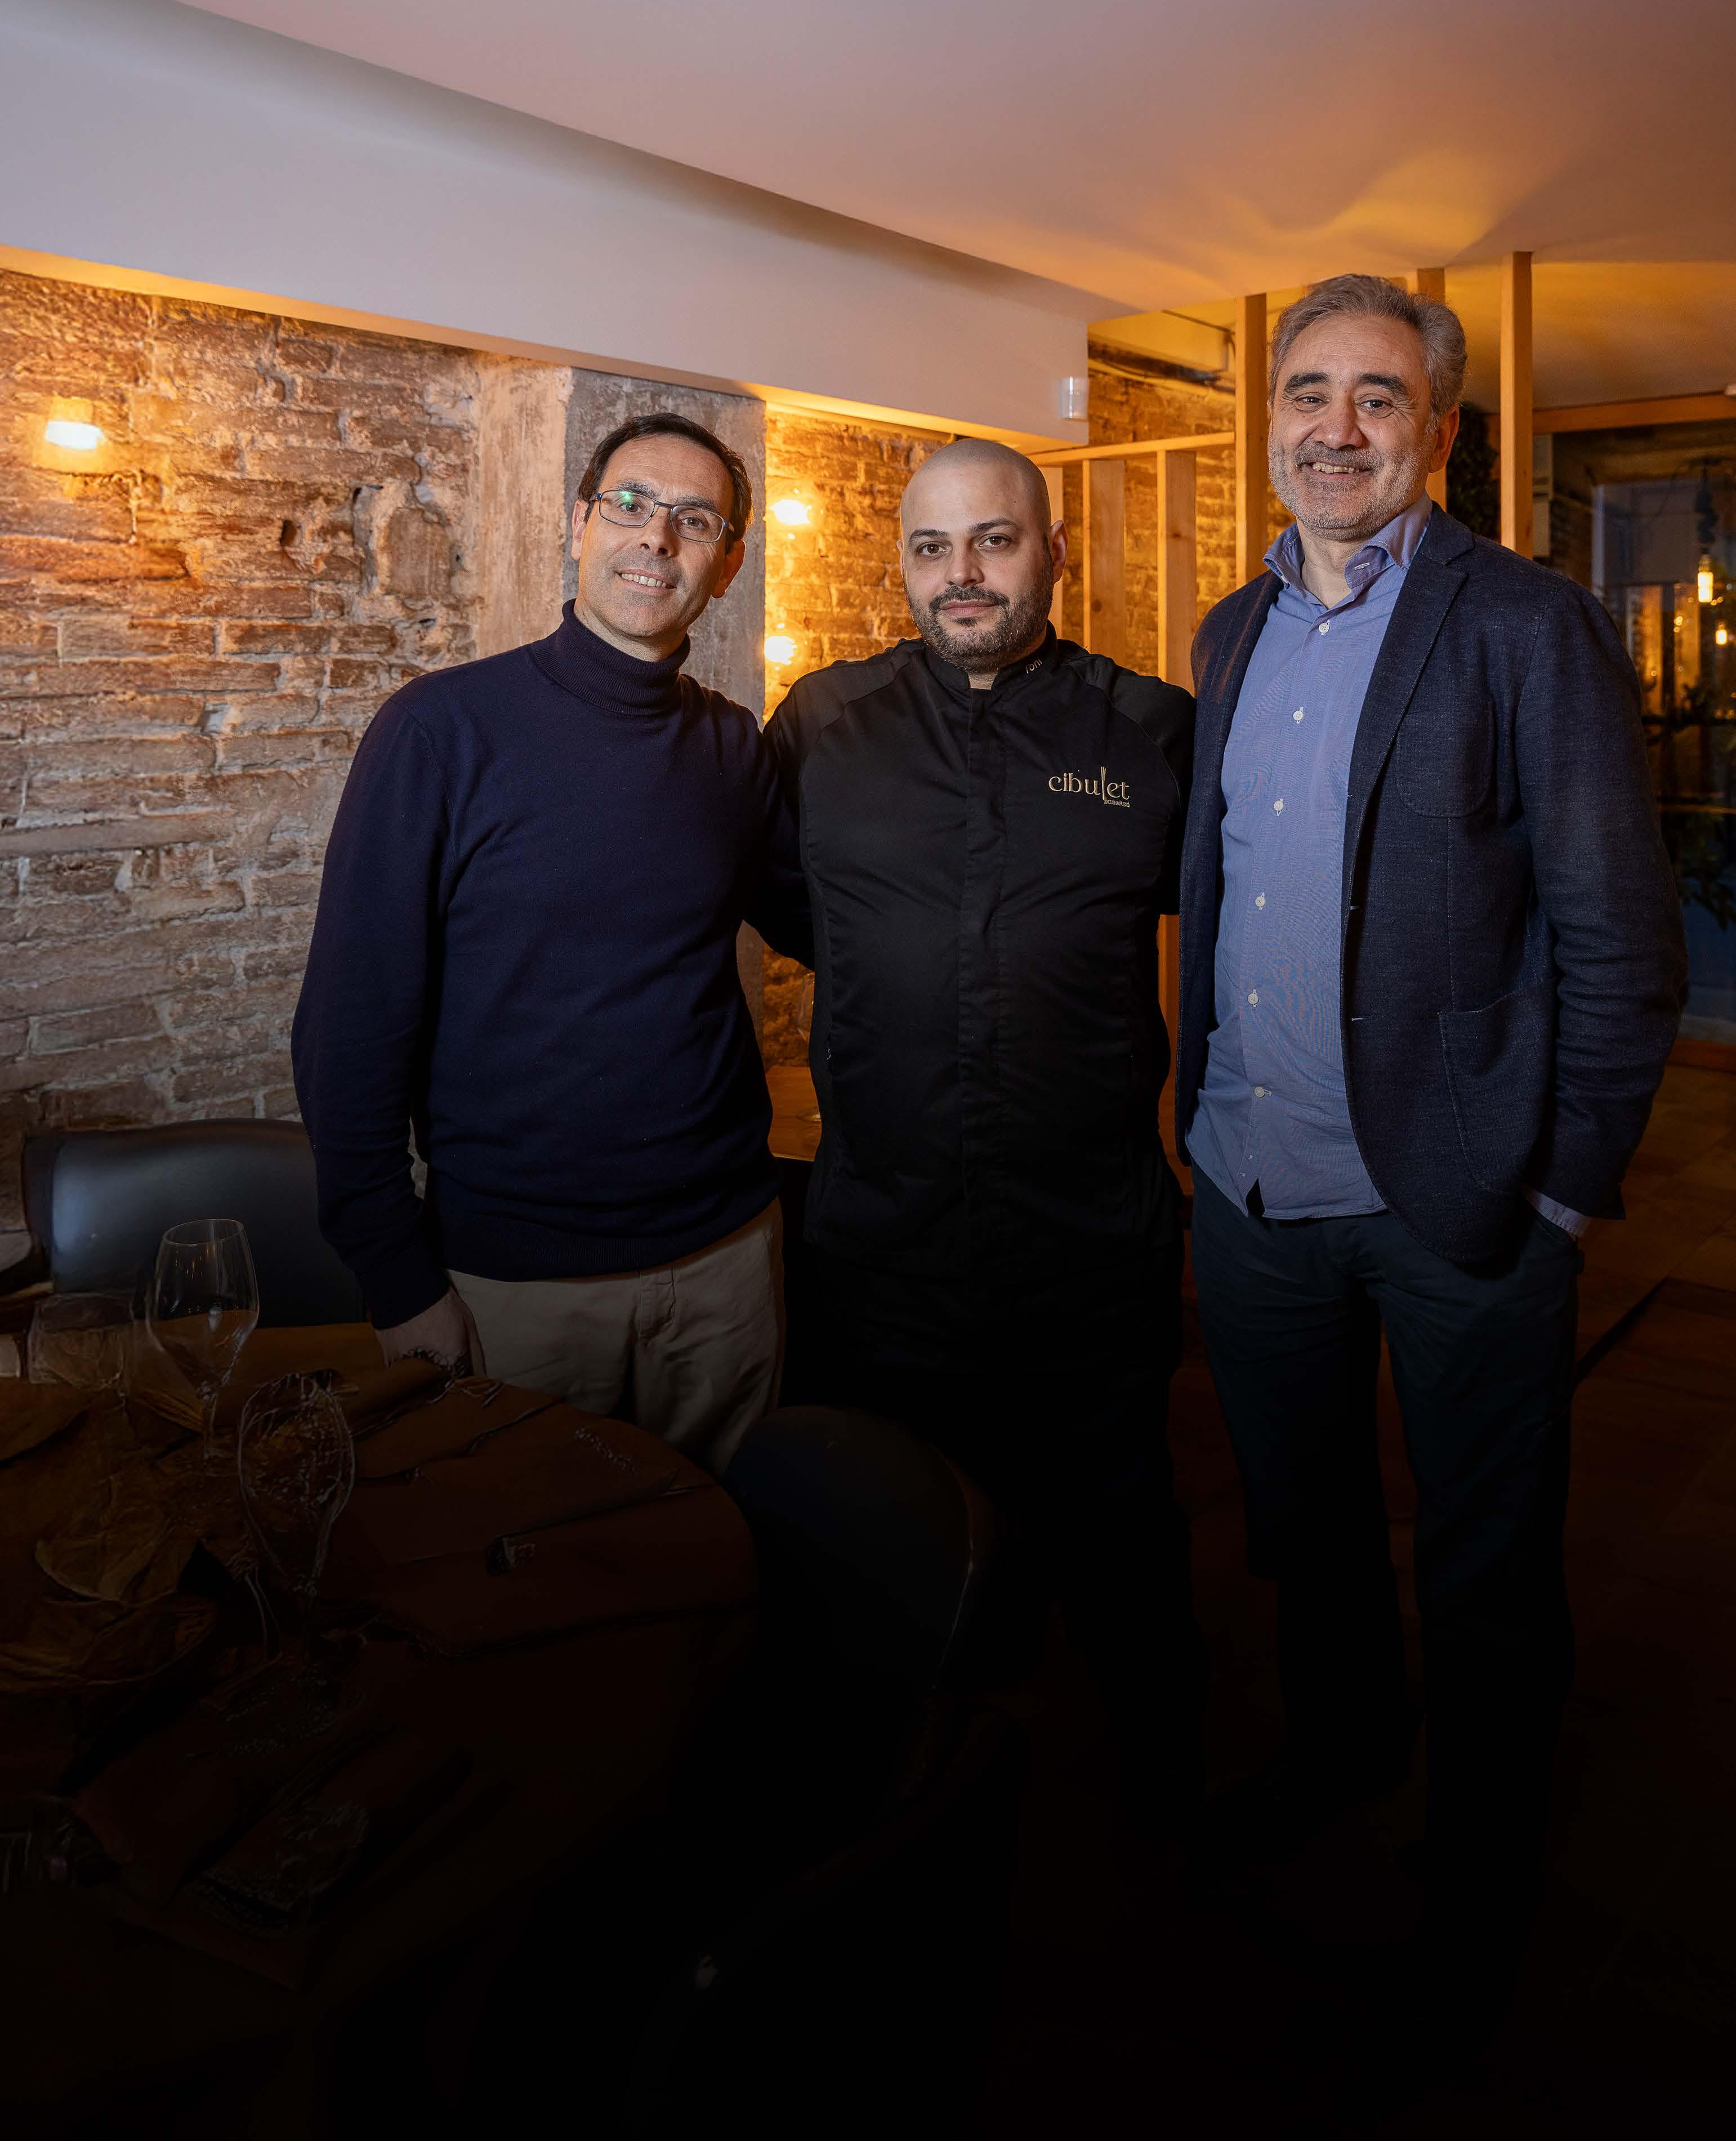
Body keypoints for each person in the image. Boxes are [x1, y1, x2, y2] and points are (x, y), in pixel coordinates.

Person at [1176, 275, 1688, 2040]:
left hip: (1458, 1203)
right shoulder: (1227, 634)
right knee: (1306, 1529)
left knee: (1481, 1564)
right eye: (1304, 391)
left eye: (1375, 397)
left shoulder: (1523, 623)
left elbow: (1619, 936)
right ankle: (1339, 1752)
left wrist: (1561, 1187)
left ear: (1437, 431)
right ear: (1269, 421)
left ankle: (1478, 1880)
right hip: (1250, 1188)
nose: (1334, 427)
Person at [766, 438, 1203, 1828]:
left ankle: (1165, 1818)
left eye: (994, 541)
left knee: (1125, 1553)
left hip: (1092, 1247)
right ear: (901, 565)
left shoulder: (1152, 729)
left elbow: (1240, 916)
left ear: (1054, 553)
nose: (962, 574)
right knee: (890, 1556)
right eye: (932, 547)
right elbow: (790, 902)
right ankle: (900, 1822)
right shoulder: (822, 724)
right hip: (881, 1245)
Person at [293, 412, 809, 1474]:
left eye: (695, 520)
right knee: (514, 1562)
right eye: (630, 503)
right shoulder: (440, 730)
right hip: (513, 1287)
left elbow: (825, 922)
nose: (656, 536)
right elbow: (348, 1029)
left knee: (725, 1553)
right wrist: (398, 1280)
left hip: (727, 1265)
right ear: (579, 524)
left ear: (726, 565)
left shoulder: (731, 746)